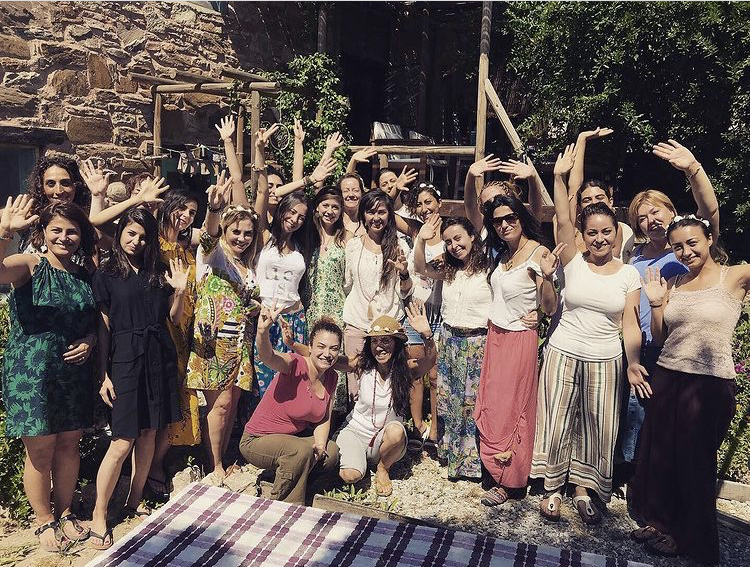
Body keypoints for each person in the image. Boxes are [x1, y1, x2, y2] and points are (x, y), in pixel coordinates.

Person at [530, 144, 647, 524]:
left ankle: (582, 489)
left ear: (617, 234)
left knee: (596, 426)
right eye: (592, 232)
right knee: (558, 419)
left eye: (606, 232)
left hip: (606, 359)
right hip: (563, 351)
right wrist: (558, 176)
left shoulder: (629, 274)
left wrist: (633, 363)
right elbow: (562, 215)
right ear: (582, 234)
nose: (599, 238)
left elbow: (630, 323)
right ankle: (552, 487)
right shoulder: (572, 261)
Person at [629, 213, 743, 564]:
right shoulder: (675, 282)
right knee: (660, 456)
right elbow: (661, 336)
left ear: (709, 239)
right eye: (678, 246)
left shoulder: (734, 275)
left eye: (692, 242)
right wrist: (657, 303)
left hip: (710, 383)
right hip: (667, 375)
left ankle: (691, 538)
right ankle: (661, 523)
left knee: (695, 462)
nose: (686, 251)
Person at [0, 197, 98, 551]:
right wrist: (5, 232)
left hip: (72, 372)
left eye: (72, 231)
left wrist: (89, 340)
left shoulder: (84, 275)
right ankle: (44, 520)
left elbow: (93, 322)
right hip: (32, 373)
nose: (64, 237)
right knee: (40, 451)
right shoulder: (30, 265)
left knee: (70, 445)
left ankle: (66, 511)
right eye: (56, 230)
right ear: (42, 233)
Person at [89, 207, 189, 550]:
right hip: (125, 358)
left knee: (148, 433)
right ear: (120, 234)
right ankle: (99, 514)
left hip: (158, 355)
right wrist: (103, 374)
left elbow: (173, 319)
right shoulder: (106, 273)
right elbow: (103, 327)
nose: (136, 241)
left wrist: (179, 292)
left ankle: (134, 500)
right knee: (122, 440)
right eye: (131, 233)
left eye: (144, 237)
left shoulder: (158, 271)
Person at [617, 139, 718, 469]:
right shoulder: (634, 259)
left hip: (678, 348)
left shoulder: (685, 250)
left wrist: (693, 170)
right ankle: (632, 477)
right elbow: (630, 312)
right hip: (641, 347)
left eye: (655, 211)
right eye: (642, 218)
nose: (650, 220)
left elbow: (709, 215)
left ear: (672, 211)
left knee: (667, 421)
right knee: (633, 415)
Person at [474, 195, 562, 505]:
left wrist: (547, 278)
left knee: (513, 408)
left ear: (521, 218)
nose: (504, 224)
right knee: (493, 403)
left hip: (518, 339)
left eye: (510, 217)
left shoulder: (538, 253)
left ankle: (511, 480)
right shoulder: (503, 254)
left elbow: (549, 306)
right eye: (497, 220)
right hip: (496, 336)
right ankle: (495, 468)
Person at [413, 216, 490, 480]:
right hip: (449, 339)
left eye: (458, 238)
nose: (454, 246)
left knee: (471, 404)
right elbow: (420, 268)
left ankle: (473, 463)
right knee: (448, 401)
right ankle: (451, 455)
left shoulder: (489, 268)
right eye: (448, 241)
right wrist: (421, 240)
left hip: (477, 342)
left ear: (472, 237)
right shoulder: (448, 269)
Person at [239, 307, 341, 505]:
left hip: (291, 440)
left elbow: (324, 418)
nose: (327, 354)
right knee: (300, 451)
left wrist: (320, 446)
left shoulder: (331, 377)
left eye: (334, 349)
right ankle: (285, 507)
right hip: (257, 440)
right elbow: (268, 357)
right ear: (310, 346)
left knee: (331, 451)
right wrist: (262, 332)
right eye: (321, 347)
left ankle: (292, 481)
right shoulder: (295, 364)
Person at [335, 302, 436, 496]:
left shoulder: (406, 369)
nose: (379, 347)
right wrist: (298, 348)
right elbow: (330, 360)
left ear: (396, 344)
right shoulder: (363, 365)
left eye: (385, 341)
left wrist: (427, 335)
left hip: (387, 440)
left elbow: (430, 361)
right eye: (374, 341)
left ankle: (383, 468)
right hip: (356, 432)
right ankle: (358, 461)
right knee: (350, 476)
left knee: (396, 431)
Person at [146, 189, 202, 499]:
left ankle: (158, 461)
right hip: (162, 329)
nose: (187, 216)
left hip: (185, 331)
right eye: (182, 209)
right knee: (162, 401)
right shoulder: (153, 244)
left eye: (192, 213)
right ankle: (149, 467)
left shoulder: (184, 247)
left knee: (179, 400)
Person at [342, 190, 413, 401]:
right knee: (356, 385)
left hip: (389, 324)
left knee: (387, 386)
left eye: (381, 212)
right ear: (363, 215)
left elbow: (406, 290)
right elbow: (347, 284)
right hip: (357, 321)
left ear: (390, 215)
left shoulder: (400, 247)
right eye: (370, 212)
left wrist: (404, 273)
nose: (376, 217)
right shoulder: (353, 245)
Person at [253, 191, 310, 398]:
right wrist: (307, 181)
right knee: (262, 377)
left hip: (293, 319)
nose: (295, 219)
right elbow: (262, 191)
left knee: (292, 376)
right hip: (265, 319)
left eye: (301, 217)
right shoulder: (264, 236)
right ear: (282, 209)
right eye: (291, 212)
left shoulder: (302, 246)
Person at [304, 186, 352, 415]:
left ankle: (331, 416)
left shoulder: (347, 239)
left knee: (332, 359)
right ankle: (307, 412)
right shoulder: (307, 236)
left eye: (335, 207)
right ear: (317, 207)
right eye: (325, 205)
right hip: (310, 309)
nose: (330, 211)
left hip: (336, 310)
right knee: (311, 359)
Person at [404, 183, 443, 450]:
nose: (424, 208)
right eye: (419, 204)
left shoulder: (450, 236)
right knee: (416, 372)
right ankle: (417, 426)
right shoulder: (415, 233)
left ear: (439, 204)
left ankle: (436, 429)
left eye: (429, 202)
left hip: (440, 311)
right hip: (416, 310)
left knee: (436, 375)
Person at [566, 127, 634, 262]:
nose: (594, 202)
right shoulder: (572, 228)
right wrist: (582, 139)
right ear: (579, 205)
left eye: (599, 197)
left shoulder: (614, 229)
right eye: (587, 200)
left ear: (610, 201)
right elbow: (573, 188)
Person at [463, 154, 545, 234]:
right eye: (488, 204)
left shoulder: (523, 223)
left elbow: (536, 207)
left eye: (499, 199)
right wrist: (470, 175)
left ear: (510, 197)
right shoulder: (483, 226)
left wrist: (532, 177)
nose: (494, 205)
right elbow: (470, 205)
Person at [338, 173, 367, 237]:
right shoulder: (332, 221)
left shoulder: (368, 222)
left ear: (362, 193)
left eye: (355, 190)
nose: (351, 194)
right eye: (346, 191)